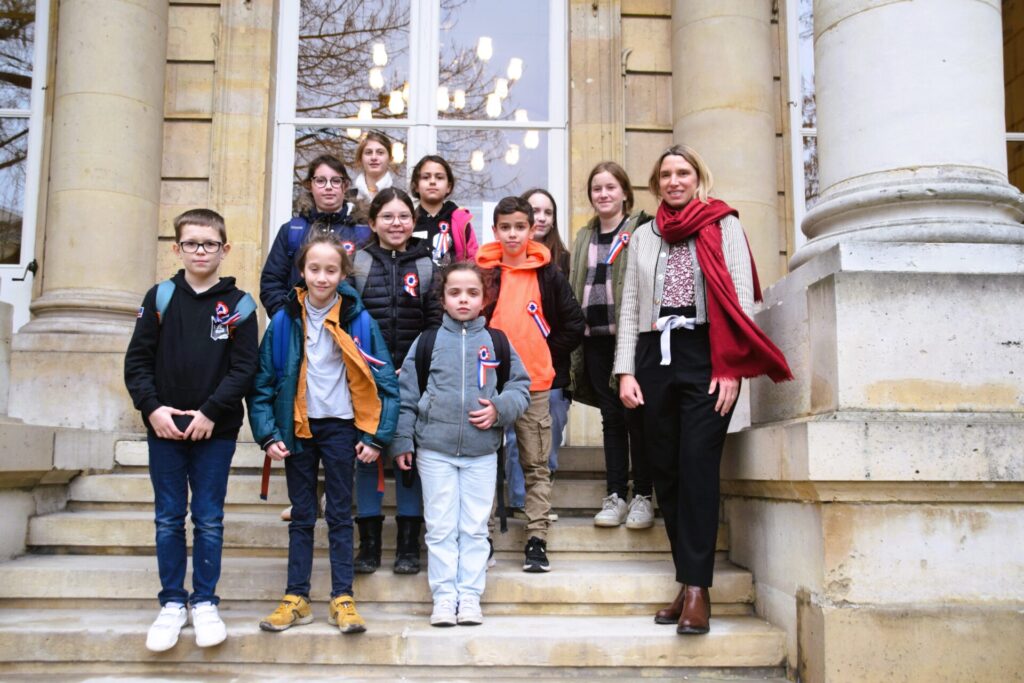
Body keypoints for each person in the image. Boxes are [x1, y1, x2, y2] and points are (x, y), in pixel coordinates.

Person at [614, 144, 791, 635]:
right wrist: (626, 370)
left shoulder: (723, 224)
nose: (674, 181)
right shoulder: (643, 235)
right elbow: (630, 304)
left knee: (697, 467)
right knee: (666, 472)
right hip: (653, 355)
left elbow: (740, 297)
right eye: (666, 174)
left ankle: (697, 590)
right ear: (656, 183)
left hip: (707, 353)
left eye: (683, 173)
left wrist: (731, 367)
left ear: (698, 178)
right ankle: (688, 579)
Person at [247, 232, 400, 635]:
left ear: (343, 274)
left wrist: (376, 436)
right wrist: (267, 433)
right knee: (302, 514)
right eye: (314, 268)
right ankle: (296, 597)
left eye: (331, 270)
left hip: (341, 426)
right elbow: (262, 383)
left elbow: (386, 384)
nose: (321, 277)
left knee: (339, 513)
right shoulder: (284, 321)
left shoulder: (359, 321)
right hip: (297, 426)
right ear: (301, 271)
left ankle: (342, 598)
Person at [124, 208, 259, 652]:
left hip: (214, 432)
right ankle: (171, 602)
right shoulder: (160, 297)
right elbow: (137, 362)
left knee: (208, 518)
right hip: (164, 428)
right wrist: (152, 410)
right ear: (177, 248)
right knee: (168, 517)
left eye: (210, 244)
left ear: (225, 249)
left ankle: (203, 601)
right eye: (192, 243)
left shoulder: (239, 305)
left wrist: (210, 413)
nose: (201, 251)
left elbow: (244, 369)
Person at [392, 262, 530, 626]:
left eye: (472, 293)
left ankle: (469, 597)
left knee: (474, 528)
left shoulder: (497, 342)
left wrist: (499, 409)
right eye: (455, 293)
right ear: (442, 299)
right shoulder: (428, 342)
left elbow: (520, 388)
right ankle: (443, 597)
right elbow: (407, 396)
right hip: (434, 451)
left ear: (485, 299)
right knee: (440, 527)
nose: (463, 300)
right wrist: (403, 440)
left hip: (481, 453)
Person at [476, 196, 585, 573]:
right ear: (495, 230)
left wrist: (543, 354)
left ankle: (536, 538)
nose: (512, 234)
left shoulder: (548, 273)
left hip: (535, 384)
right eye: (505, 227)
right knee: (485, 461)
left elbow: (574, 324)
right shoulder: (484, 272)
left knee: (536, 463)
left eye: (519, 227)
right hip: (489, 385)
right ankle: (483, 537)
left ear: (531, 229)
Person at [350, 187, 442, 575]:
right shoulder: (358, 264)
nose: (396, 223)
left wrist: (415, 366)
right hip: (366, 379)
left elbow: (435, 323)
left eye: (403, 216)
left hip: (412, 378)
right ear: (373, 223)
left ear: (414, 221)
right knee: (365, 455)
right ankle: (369, 543)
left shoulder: (427, 266)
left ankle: (408, 544)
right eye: (387, 216)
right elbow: (349, 318)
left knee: (408, 456)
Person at [568, 162, 654, 529]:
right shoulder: (584, 237)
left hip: (630, 339)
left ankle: (644, 495)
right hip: (594, 341)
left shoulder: (642, 230)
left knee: (638, 418)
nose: (603, 194)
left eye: (610, 187)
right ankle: (616, 494)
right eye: (597, 188)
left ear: (624, 192)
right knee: (611, 418)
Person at [503, 188, 570, 513]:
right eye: (535, 211)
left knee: (546, 432)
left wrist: (545, 351)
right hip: (512, 368)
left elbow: (572, 320)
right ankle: (518, 498)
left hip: (551, 367)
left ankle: (538, 498)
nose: (541, 217)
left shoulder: (563, 262)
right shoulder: (500, 263)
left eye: (548, 212)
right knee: (515, 436)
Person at [260, 153, 372, 316]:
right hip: (299, 323)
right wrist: (288, 318)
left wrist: (357, 320)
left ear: (345, 186)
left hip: (349, 323)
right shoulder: (293, 231)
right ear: (309, 185)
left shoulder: (362, 232)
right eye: (320, 180)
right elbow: (271, 282)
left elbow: (374, 286)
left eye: (336, 181)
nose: (328, 187)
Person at [410, 154, 478, 266]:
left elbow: (473, 259)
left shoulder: (460, 221)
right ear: (416, 186)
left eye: (439, 177)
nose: (432, 181)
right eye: (426, 177)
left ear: (449, 187)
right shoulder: (407, 221)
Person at [350, 131, 402, 204]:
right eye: (368, 152)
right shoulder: (347, 198)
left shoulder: (400, 199)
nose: (374, 157)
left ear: (390, 158)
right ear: (360, 159)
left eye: (380, 152)